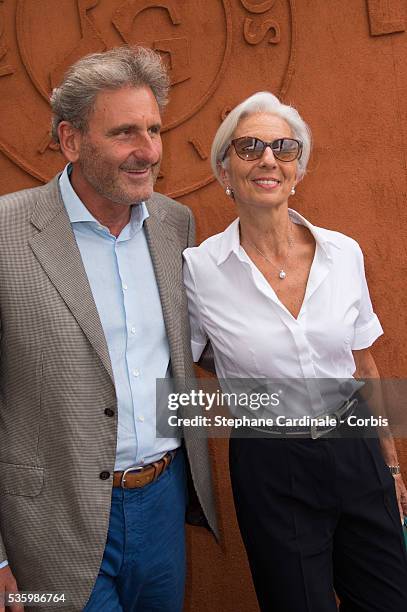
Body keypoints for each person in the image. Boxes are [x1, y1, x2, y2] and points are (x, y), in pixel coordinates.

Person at [0, 46, 218, 612]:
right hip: (50, 526)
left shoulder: (175, 224)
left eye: (153, 129)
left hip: (164, 504)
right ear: (72, 141)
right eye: (125, 133)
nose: (147, 151)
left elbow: (205, 342)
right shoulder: (6, 233)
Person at [183, 91, 407, 611]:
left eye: (284, 148)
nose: (268, 158)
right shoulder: (199, 270)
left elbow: (361, 362)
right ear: (225, 171)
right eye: (250, 147)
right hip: (270, 463)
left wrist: (390, 467)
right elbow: (193, 356)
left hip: (355, 451)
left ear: (297, 169)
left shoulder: (343, 253)